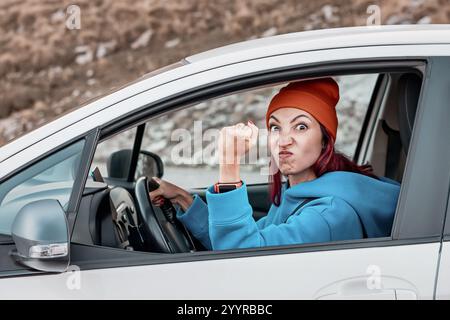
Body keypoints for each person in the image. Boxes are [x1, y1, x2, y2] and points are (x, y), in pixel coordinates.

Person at [149, 77, 401, 251]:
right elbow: (242, 237)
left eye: (301, 127)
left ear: (325, 141)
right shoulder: (298, 194)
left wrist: (229, 164)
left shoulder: (328, 214)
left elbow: (241, 256)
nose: (284, 140)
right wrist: (182, 198)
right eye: (275, 127)